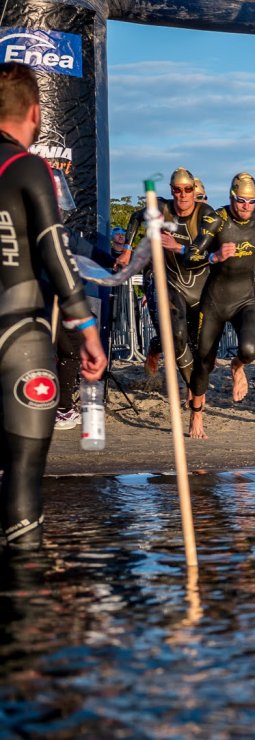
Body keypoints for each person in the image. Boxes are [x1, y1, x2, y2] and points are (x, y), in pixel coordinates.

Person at [0, 62, 106, 549]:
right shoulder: (26, 167)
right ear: (36, 113)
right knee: (21, 480)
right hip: (18, 336)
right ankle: (28, 610)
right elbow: (56, 251)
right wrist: (86, 330)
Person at [186, 173, 255, 439]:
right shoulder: (216, 220)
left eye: (252, 202)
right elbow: (191, 254)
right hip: (215, 301)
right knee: (203, 363)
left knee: (250, 350)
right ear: (231, 197)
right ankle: (196, 414)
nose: (246, 207)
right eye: (241, 201)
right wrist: (215, 256)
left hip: (245, 298)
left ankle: (237, 366)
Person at [116, 167, 215, 383]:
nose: (187, 198)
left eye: (197, 196)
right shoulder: (164, 208)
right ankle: (159, 353)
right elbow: (135, 216)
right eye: (180, 191)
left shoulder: (207, 217)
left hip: (190, 281)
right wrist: (127, 250)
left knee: (193, 337)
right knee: (170, 333)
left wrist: (179, 246)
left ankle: (190, 378)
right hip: (159, 275)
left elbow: (208, 253)